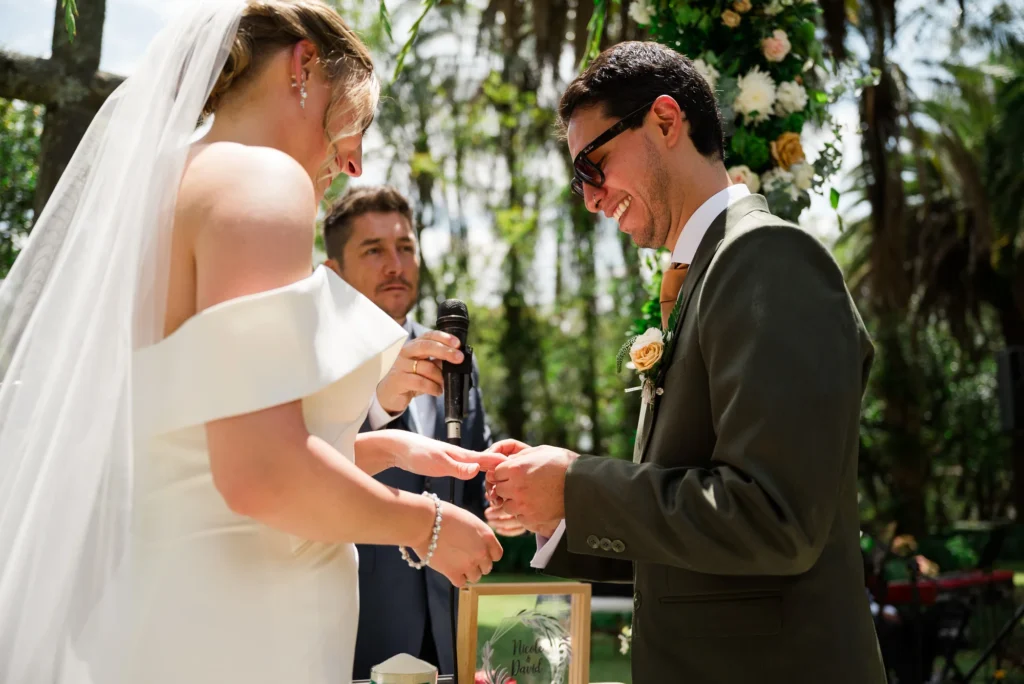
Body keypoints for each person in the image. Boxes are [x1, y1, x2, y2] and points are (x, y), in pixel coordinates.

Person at [0, 2, 503, 683]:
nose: (353, 160)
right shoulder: (258, 181)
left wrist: (384, 448)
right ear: (303, 66)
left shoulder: (163, 193)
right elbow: (260, 474)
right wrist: (428, 525)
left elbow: (196, 446)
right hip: (238, 631)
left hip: (175, 607)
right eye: (356, 119)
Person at [485, 41, 886, 683]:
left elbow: (773, 519)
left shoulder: (768, 259)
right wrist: (562, 510)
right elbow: (687, 543)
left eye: (594, 164)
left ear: (666, 121)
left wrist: (578, 483)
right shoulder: (709, 273)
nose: (590, 198)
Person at [321, 185, 525, 678]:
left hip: (451, 632)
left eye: (405, 247)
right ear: (333, 273)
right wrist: (379, 407)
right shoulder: (316, 358)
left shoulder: (451, 357)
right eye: (374, 250)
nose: (395, 263)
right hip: (359, 632)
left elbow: (468, 480)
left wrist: (509, 494)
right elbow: (303, 471)